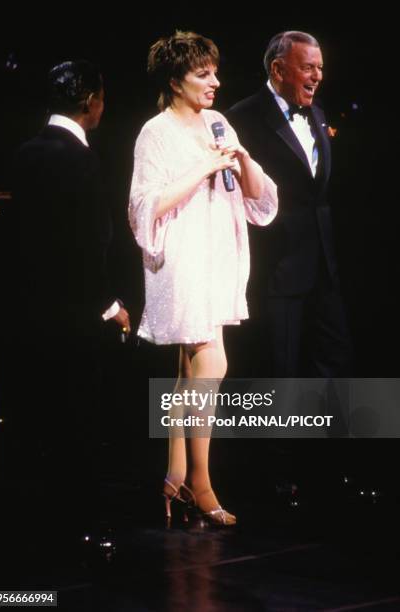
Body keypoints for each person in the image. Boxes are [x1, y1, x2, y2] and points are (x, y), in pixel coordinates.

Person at [129, 31, 277, 525]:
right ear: (176, 81)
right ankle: (202, 481)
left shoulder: (218, 122)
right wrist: (201, 168)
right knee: (210, 364)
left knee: (187, 375)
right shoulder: (156, 131)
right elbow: (144, 206)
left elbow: (258, 200)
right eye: (202, 74)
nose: (215, 82)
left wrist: (242, 159)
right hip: (183, 259)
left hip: (219, 256)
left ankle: (173, 479)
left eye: (214, 72)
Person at [12, 60, 130, 487]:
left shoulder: (25, 152)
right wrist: (109, 306)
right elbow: (89, 243)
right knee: (80, 420)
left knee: (41, 420)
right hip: (77, 315)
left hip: (28, 310)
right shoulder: (80, 158)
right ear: (90, 102)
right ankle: (82, 521)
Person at [226, 31, 352, 377]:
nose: (318, 76)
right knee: (278, 371)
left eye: (320, 68)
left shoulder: (319, 114)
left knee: (333, 361)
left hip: (325, 270)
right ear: (278, 70)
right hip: (276, 272)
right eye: (308, 67)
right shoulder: (242, 118)